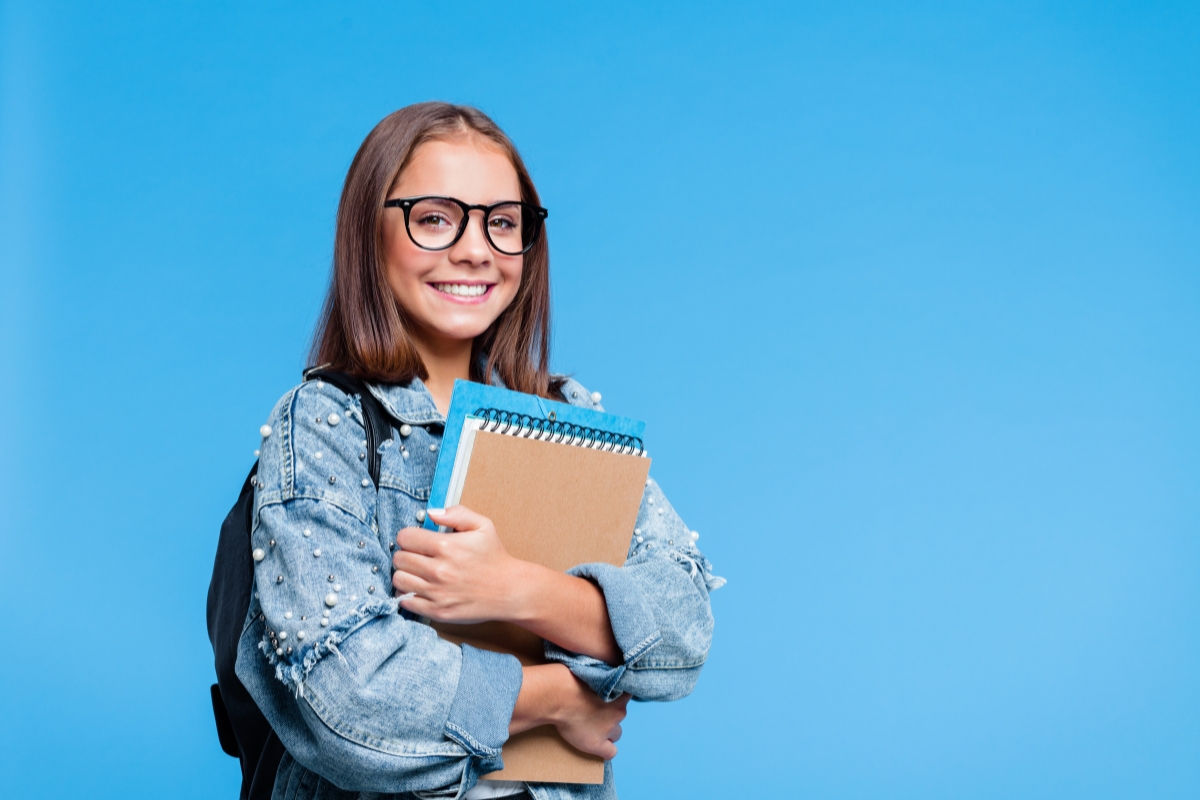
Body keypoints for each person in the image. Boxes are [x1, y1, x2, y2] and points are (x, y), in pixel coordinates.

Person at [239, 102, 723, 800]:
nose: (476, 249)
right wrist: (558, 696)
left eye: (502, 222)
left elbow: (682, 633)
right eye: (435, 218)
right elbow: (348, 700)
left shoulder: (565, 418)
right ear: (367, 235)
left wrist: (517, 589)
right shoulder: (324, 425)